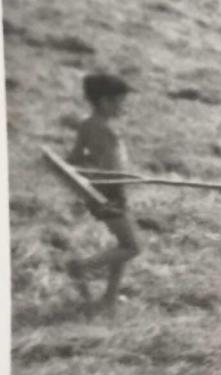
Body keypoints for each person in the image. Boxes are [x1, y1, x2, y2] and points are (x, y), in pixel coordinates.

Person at [65, 73, 141, 317]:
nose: (124, 106)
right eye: (120, 101)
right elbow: (110, 170)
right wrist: (125, 176)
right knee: (132, 247)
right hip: (109, 194)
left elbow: (75, 158)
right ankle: (81, 268)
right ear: (105, 102)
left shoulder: (87, 125)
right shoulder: (106, 131)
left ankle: (109, 298)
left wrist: (89, 166)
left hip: (99, 193)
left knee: (123, 244)